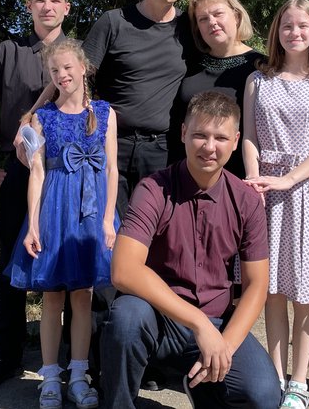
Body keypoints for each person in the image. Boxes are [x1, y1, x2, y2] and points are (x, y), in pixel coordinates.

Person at [101, 91, 281, 409]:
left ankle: (202, 385)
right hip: (158, 318)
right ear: (184, 133)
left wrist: (223, 346)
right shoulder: (153, 190)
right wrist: (198, 322)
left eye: (221, 137)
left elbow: (257, 286)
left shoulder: (247, 200)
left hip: (217, 322)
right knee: (127, 317)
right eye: (200, 134)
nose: (209, 147)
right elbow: (123, 270)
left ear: (236, 140)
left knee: (264, 396)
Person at [5, 39, 119, 409]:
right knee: (52, 297)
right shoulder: (43, 118)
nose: (62, 75)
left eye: (68, 68)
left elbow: (113, 169)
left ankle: (80, 376)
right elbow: (36, 174)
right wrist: (34, 225)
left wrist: (107, 220)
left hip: (91, 212)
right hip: (54, 208)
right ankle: (50, 376)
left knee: (84, 297)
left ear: (83, 68)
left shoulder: (105, 113)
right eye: (55, 71)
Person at [0, 0, 71, 387]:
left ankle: (79, 358)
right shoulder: (8, 51)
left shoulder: (78, 56)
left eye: (56, 1)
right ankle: (7, 354)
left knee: (72, 267)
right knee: (13, 266)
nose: (47, 7)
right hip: (19, 172)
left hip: (67, 176)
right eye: (40, 0)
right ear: (29, 5)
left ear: (67, 7)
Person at [241, 0, 309, 409]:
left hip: (306, 195)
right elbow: (248, 135)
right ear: (276, 31)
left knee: (302, 292)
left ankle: (299, 382)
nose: (295, 33)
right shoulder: (257, 80)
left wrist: (290, 178)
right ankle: (277, 377)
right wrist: (253, 180)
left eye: (303, 26)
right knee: (270, 293)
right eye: (287, 26)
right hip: (263, 192)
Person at [82, 0, 194, 214]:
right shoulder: (113, 22)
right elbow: (78, 76)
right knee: (107, 230)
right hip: (111, 145)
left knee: (155, 232)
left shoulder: (190, 29)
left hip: (162, 150)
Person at [169, 0, 264, 178]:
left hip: (239, 178)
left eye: (218, 14)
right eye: (203, 19)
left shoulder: (263, 67)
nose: (212, 22)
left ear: (236, 16)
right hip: (186, 175)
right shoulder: (188, 65)